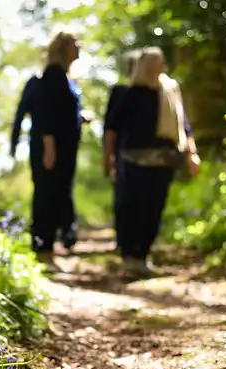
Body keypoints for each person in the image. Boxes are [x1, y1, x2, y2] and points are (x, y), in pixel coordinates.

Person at [103, 46, 200, 275]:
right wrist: (108, 157)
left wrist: (192, 153)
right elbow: (111, 129)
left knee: (154, 208)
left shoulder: (169, 92)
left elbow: (183, 126)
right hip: (133, 162)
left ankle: (143, 255)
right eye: (155, 62)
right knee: (132, 207)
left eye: (162, 62)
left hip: (164, 161)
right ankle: (129, 258)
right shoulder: (127, 93)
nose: (161, 67)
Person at [27, 30, 82, 265]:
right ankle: (42, 252)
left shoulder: (65, 77)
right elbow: (44, 115)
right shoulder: (52, 76)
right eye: (75, 43)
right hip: (52, 149)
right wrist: (49, 147)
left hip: (63, 149)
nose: (79, 46)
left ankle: (49, 250)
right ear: (64, 48)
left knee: (57, 196)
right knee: (46, 198)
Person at [102, 49, 141, 249]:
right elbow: (110, 127)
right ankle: (124, 242)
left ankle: (137, 245)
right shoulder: (120, 92)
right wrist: (108, 157)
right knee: (123, 198)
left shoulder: (160, 93)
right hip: (122, 155)